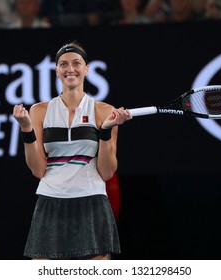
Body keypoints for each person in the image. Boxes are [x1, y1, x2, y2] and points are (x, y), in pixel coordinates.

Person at [13, 41, 132, 260]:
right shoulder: (39, 111)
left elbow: (106, 172)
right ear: (57, 71)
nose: (70, 69)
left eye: (76, 63)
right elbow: (38, 170)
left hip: (91, 201)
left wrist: (105, 131)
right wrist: (26, 129)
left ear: (86, 69)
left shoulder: (104, 111)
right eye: (64, 64)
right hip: (50, 201)